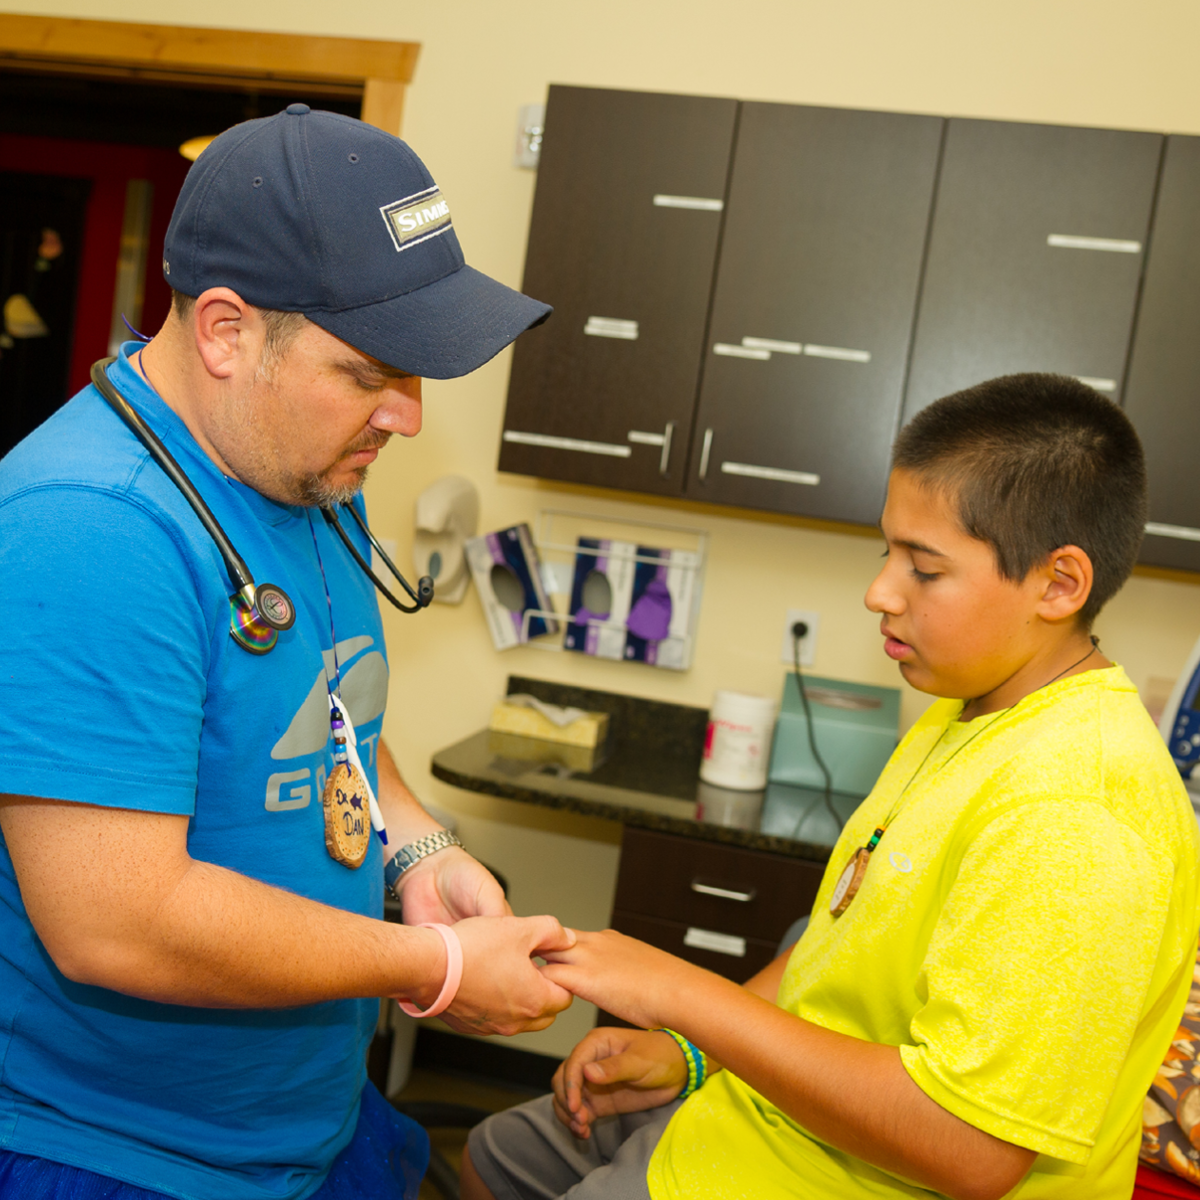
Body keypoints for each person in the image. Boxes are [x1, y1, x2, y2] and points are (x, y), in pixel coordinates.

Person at [0, 106, 576, 1200]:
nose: (406, 417)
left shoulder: (302, 467)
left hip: (304, 1112)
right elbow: (116, 925)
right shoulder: (88, 529)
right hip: (121, 1152)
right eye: (369, 374)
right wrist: (442, 967)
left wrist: (417, 853)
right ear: (225, 332)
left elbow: (329, 711)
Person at [462, 373, 1200, 1200]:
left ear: (1059, 585)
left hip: (867, 1175)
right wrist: (690, 1052)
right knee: (495, 1156)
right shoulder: (967, 709)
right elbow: (839, 940)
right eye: (886, 552)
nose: (879, 592)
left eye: (924, 569)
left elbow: (969, 1151)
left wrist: (681, 996)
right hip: (772, 1119)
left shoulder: (1076, 814)